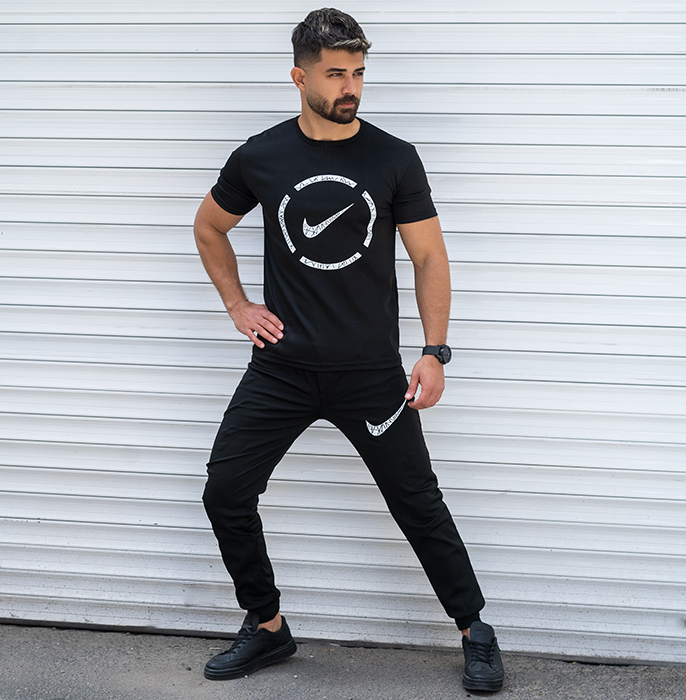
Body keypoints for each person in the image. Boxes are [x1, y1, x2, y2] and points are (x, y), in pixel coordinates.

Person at [193, 7, 504, 692]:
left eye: (358, 72)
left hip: (370, 374)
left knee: (417, 503)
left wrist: (435, 351)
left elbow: (430, 258)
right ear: (299, 77)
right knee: (226, 492)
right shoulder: (260, 157)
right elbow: (209, 226)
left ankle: (475, 630)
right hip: (282, 369)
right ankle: (267, 625)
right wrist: (238, 306)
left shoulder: (393, 157)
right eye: (336, 74)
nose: (350, 87)